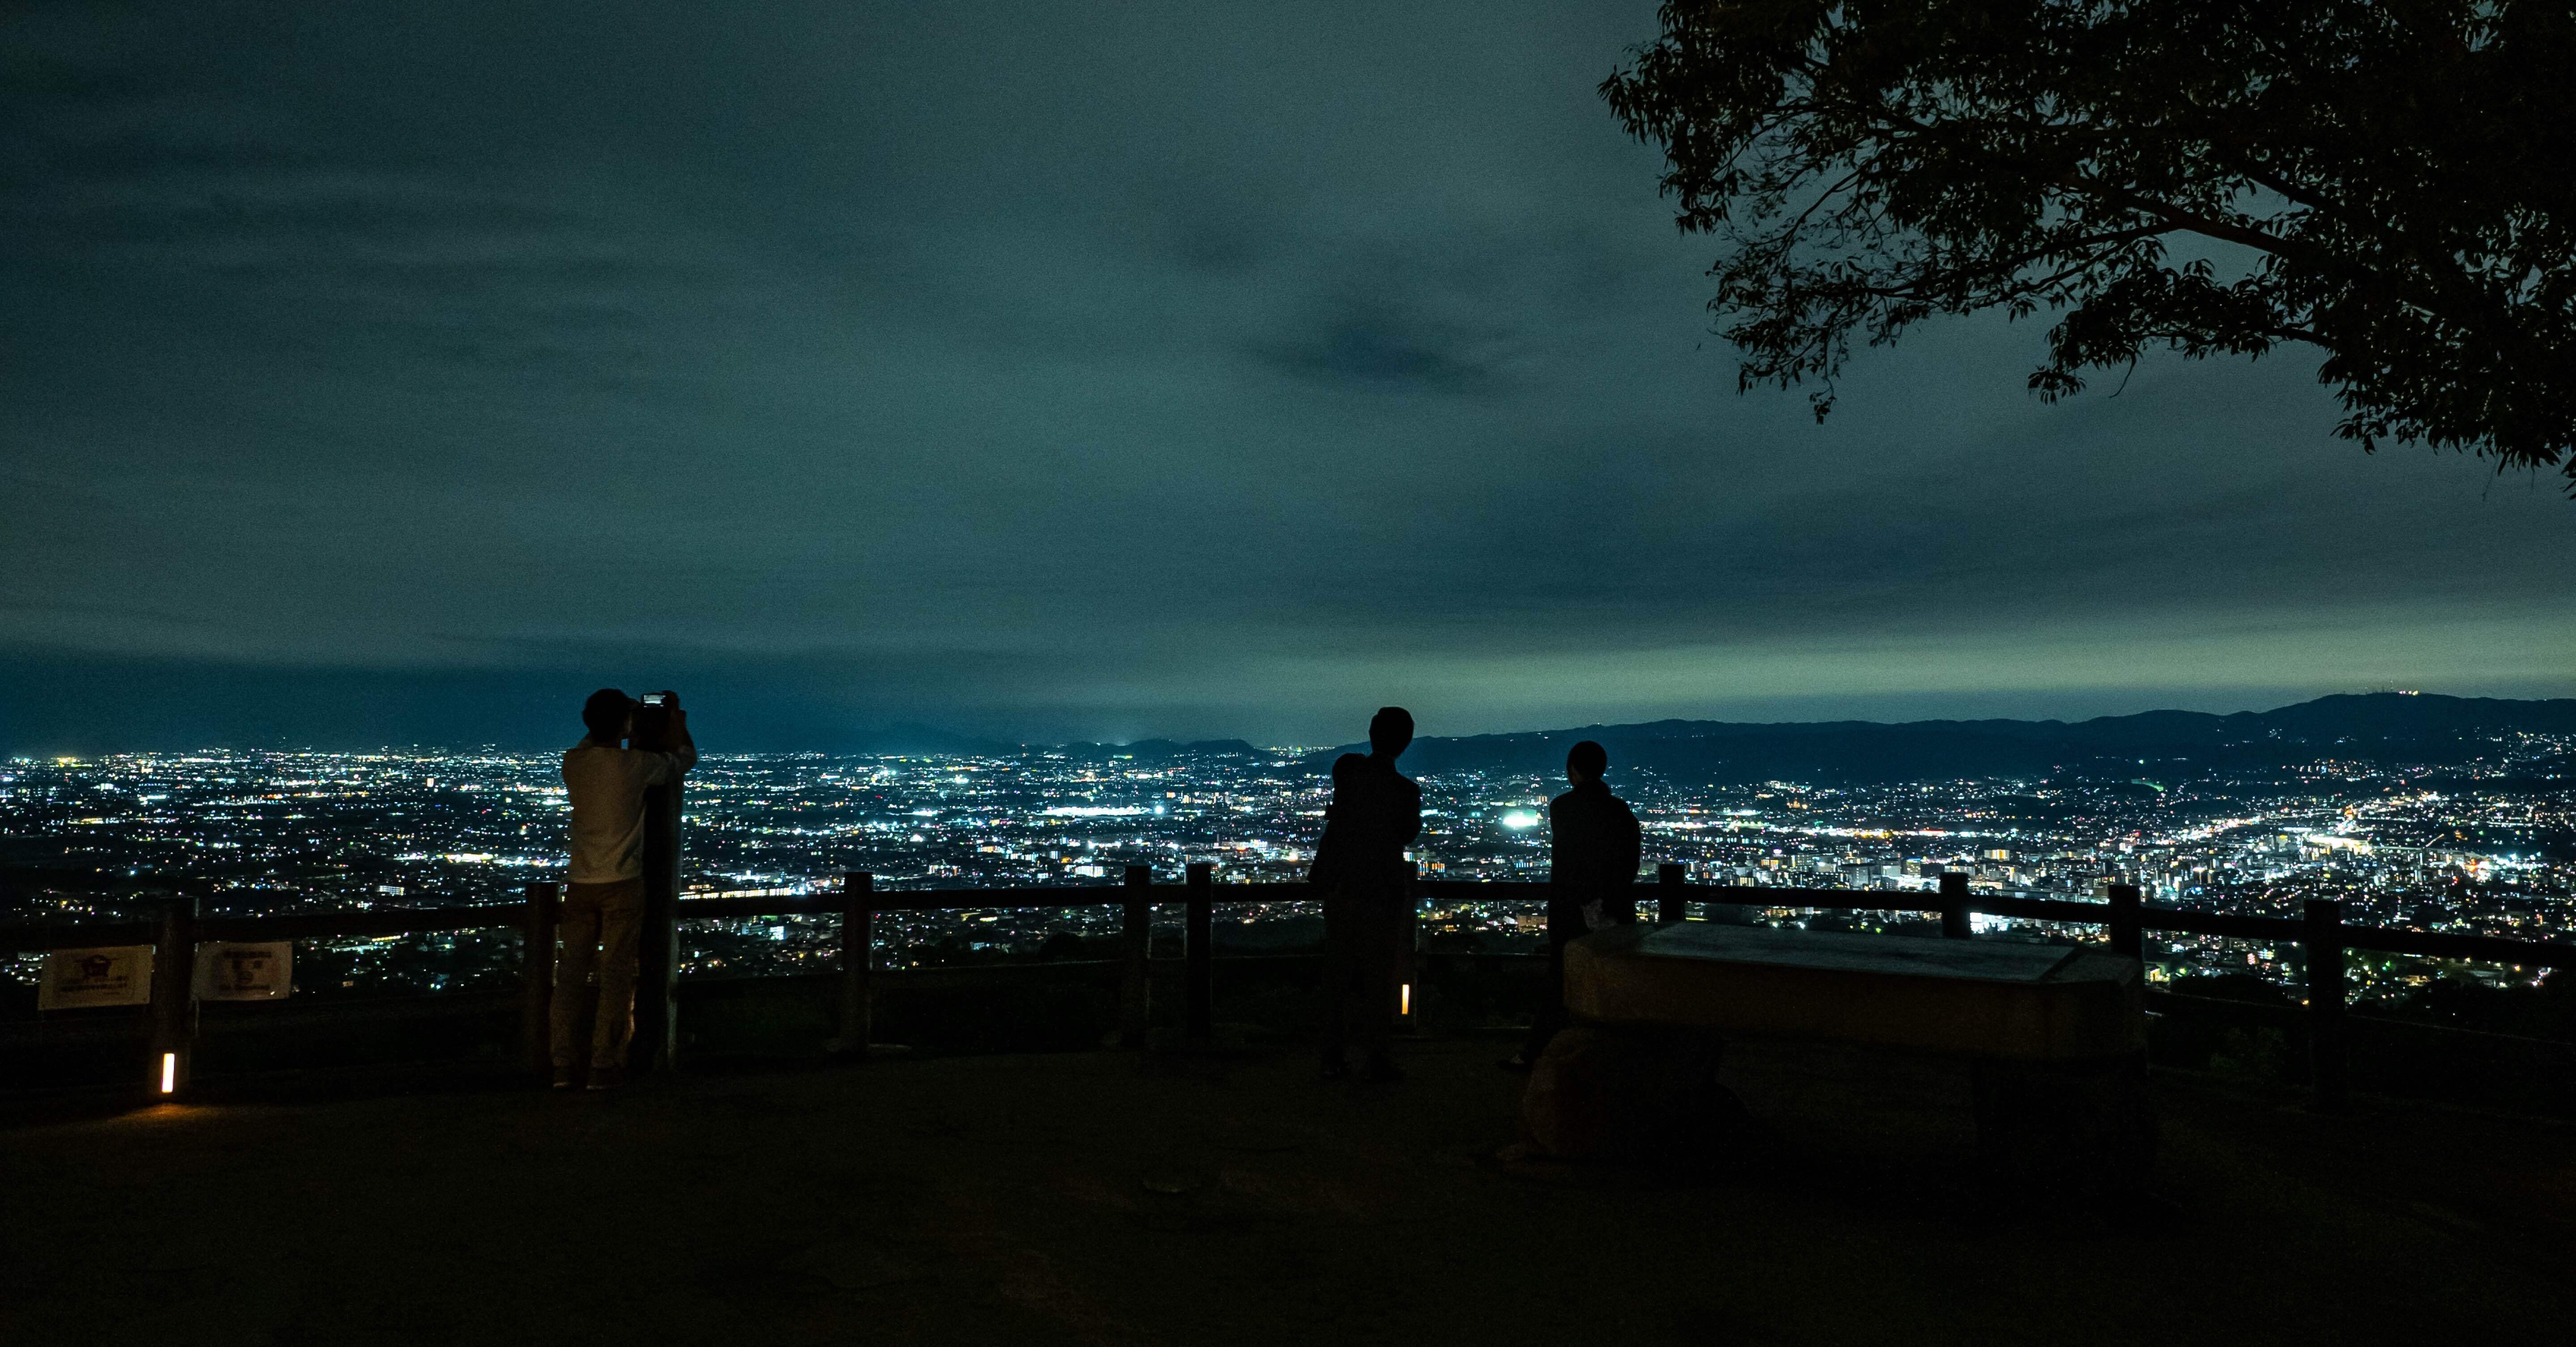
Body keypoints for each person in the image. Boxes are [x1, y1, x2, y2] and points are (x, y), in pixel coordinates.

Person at [552, 687, 696, 1089]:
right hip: (622, 884)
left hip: (580, 883)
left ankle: (562, 1064)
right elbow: (685, 759)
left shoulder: (573, 762)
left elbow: (592, 740)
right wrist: (675, 719)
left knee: (569, 979)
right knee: (615, 978)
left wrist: (617, 720)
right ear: (625, 724)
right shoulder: (635, 765)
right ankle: (603, 1064)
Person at [1503, 739, 1640, 1072]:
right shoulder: (1621, 812)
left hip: (1570, 911)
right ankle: (1616, 1058)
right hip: (1614, 910)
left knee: (1560, 983)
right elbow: (1630, 865)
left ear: (1573, 770)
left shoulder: (1563, 808)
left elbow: (1570, 861)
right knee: (1612, 983)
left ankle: (1539, 1053)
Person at [1310, 706, 1421, 1082]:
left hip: (1342, 885)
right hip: (1382, 890)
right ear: (1406, 743)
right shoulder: (1405, 791)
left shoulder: (1348, 775)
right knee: (1379, 976)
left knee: (1337, 974)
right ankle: (1377, 1059)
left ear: (1372, 734)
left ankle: (1331, 1057)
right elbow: (1407, 834)